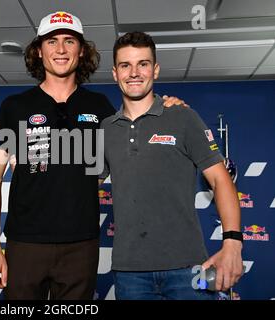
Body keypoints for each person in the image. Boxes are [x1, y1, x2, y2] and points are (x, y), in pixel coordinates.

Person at [0, 12, 186, 300]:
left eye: (69, 41)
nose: (61, 49)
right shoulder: (15, 107)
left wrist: (169, 108)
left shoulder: (100, 105)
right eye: (52, 41)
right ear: (39, 51)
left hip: (81, 245)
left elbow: (132, 148)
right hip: (25, 243)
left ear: (81, 50)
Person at [100, 31, 243, 300]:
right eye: (125, 65)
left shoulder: (183, 117)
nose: (134, 72)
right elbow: (78, 187)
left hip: (190, 268)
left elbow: (220, 180)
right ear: (114, 73)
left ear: (155, 70)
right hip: (129, 273)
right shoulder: (105, 129)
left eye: (142, 64)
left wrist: (233, 243)